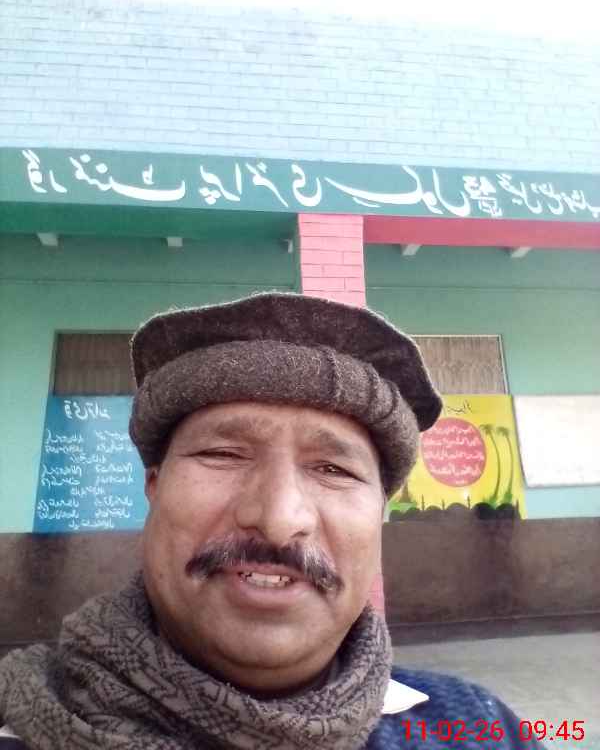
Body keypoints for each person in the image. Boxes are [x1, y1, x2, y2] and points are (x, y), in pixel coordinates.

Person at [0, 292, 544, 749]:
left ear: (380, 511)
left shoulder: (481, 729)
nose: (280, 519)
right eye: (223, 454)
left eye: (333, 469)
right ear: (154, 486)